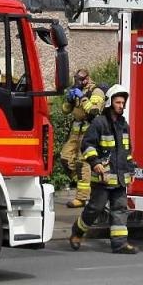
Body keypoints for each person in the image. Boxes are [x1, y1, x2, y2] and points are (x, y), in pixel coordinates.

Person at [69, 84, 137, 254]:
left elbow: (127, 151)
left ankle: (119, 244)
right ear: (110, 103)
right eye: (118, 102)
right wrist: (96, 163)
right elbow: (87, 144)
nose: (121, 106)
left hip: (120, 178)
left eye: (123, 103)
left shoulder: (124, 125)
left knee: (120, 210)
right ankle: (77, 233)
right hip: (103, 178)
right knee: (95, 208)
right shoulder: (99, 122)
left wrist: (131, 170)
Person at [59, 69, 105, 207]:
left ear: (86, 79)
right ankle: (86, 183)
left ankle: (81, 198)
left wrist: (83, 97)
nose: (76, 82)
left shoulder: (96, 92)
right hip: (75, 131)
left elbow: (94, 112)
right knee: (65, 158)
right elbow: (65, 110)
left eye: (79, 80)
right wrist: (69, 100)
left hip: (89, 132)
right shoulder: (76, 90)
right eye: (75, 79)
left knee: (82, 163)